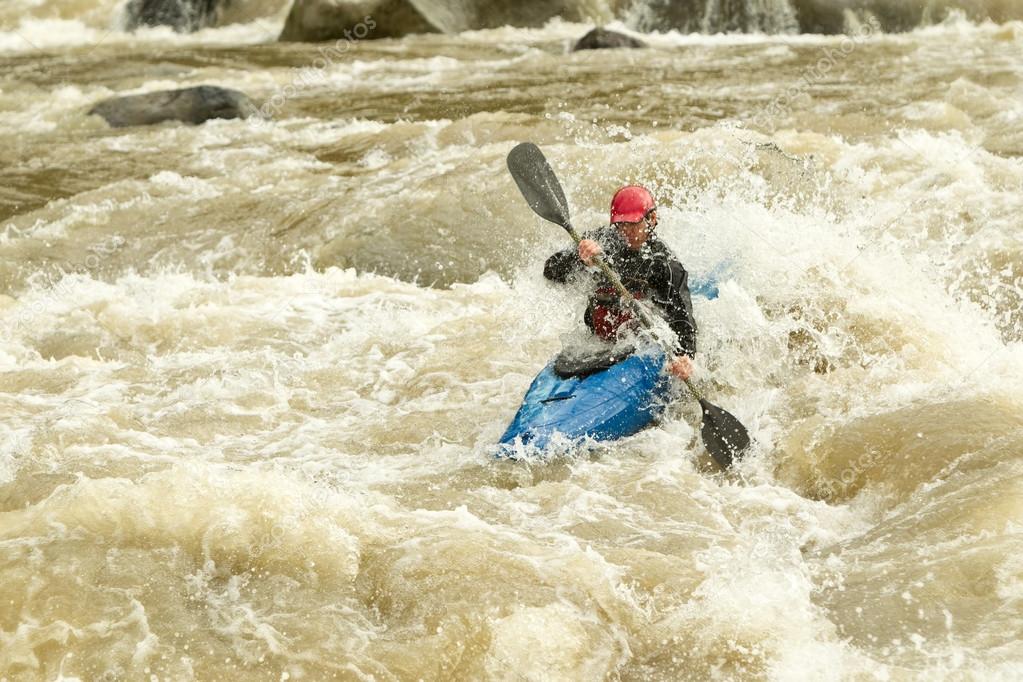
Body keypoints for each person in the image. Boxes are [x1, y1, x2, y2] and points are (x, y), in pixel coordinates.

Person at [543, 185, 697, 381]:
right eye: (622, 225)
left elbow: (682, 316)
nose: (627, 232)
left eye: (634, 224)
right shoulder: (602, 241)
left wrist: (685, 357)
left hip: (639, 343)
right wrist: (578, 256)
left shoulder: (664, 264)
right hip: (597, 342)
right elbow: (551, 270)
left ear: (652, 219)